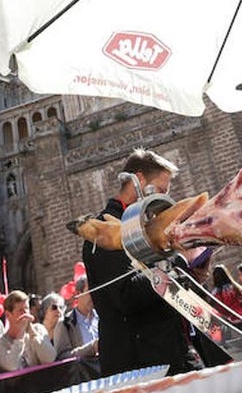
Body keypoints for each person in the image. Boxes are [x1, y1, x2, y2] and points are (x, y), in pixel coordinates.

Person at [81, 149, 202, 378]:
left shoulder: (144, 228)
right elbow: (126, 295)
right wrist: (179, 260)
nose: (163, 201)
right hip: (141, 366)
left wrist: (193, 272)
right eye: (160, 190)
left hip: (170, 354)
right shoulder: (103, 230)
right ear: (139, 180)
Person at [0, 291, 55, 372]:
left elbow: (50, 358)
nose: (25, 313)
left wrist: (32, 333)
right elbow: (12, 366)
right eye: (21, 310)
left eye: (26, 308)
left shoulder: (38, 329)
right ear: (8, 315)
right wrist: (20, 335)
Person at [53, 277, 99, 372]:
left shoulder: (102, 317)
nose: (94, 295)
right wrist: (92, 348)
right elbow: (62, 358)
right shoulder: (65, 324)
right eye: (90, 291)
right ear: (78, 294)